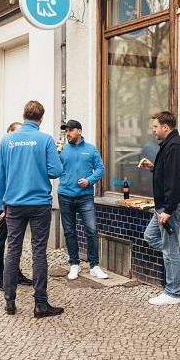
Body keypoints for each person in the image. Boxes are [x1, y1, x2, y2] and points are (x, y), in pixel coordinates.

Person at [0, 100, 64, 318]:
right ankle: (40, 304)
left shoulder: (6, 140)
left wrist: (2, 201)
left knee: (13, 249)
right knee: (39, 251)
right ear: (41, 119)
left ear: (23, 116)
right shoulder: (45, 140)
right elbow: (56, 171)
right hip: (39, 204)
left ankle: (10, 302)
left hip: (14, 204)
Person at [140, 110, 180, 306]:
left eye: (155, 127)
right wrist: (153, 167)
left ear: (165, 127)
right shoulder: (170, 145)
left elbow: (176, 181)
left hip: (171, 206)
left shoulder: (176, 146)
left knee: (169, 249)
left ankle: (173, 293)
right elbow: (170, 174)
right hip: (165, 205)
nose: (153, 130)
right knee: (151, 236)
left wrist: (168, 210)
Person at [0, 122, 32, 291]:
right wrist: (7, 184)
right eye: (17, 132)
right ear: (9, 133)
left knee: (15, 241)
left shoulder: (17, 153)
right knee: (0, 240)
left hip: (17, 203)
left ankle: (15, 274)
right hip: (1, 205)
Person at [58, 119, 108, 280]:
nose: (67, 134)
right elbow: (53, 169)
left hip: (85, 196)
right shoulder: (62, 149)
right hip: (65, 195)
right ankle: (74, 264)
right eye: (66, 131)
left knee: (91, 230)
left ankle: (94, 266)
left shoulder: (91, 149)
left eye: (70, 130)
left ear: (79, 131)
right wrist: (55, 154)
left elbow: (100, 169)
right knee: (69, 231)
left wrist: (89, 180)